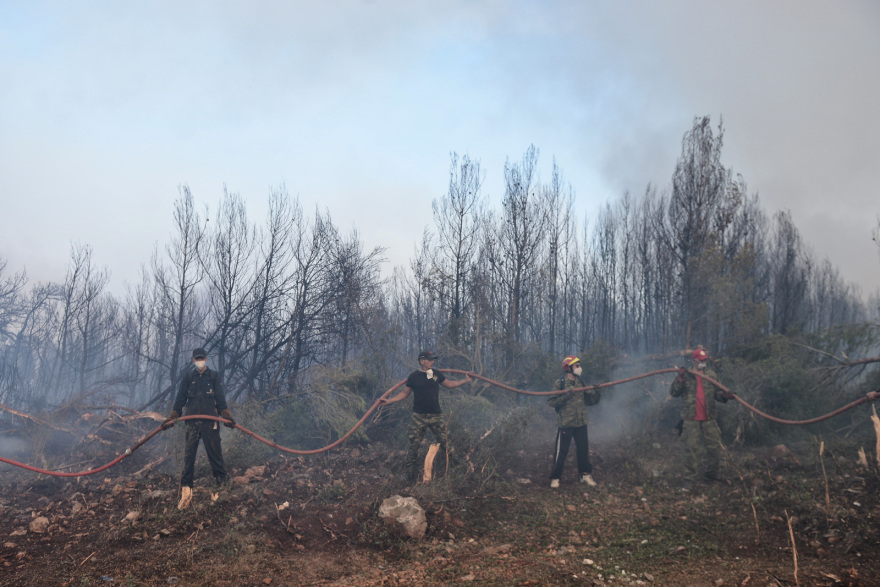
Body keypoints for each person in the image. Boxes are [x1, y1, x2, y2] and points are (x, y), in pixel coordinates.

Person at [162, 347, 236, 508]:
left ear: (206, 359)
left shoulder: (214, 376)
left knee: (215, 452)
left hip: (210, 421)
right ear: (193, 361)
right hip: (192, 422)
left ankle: (222, 482)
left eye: (202, 358)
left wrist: (226, 416)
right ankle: (187, 486)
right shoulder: (188, 377)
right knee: (189, 455)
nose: (200, 361)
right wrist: (172, 417)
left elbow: (220, 398)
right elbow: (180, 400)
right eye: (197, 358)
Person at [383, 350, 472, 482]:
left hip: (436, 415)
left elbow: (448, 384)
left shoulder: (433, 374)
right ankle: (409, 474)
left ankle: (458, 470)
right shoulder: (413, 376)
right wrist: (389, 400)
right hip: (419, 416)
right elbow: (404, 394)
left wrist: (466, 380)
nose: (433, 362)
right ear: (422, 361)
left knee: (446, 443)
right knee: (414, 445)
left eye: (433, 360)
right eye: (430, 360)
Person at [669, 347, 733, 487]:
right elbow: (674, 393)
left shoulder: (711, 375)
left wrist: (724, 396)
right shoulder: (685, 375)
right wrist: (679, 379)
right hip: (690, 419)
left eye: (705, 360)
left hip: (709, 418)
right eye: (701, 361)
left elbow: (717, 394)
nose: (703, 363)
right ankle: (689, 479)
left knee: (714, 447)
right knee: (690, 449)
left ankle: (712, 474)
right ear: (694, 361)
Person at [548, 355, 601, 488]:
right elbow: (552, 402)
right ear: (569, 368)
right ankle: (555, 477)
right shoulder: (560, 383)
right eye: (577, 365)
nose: (579, 368)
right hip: (566, 423)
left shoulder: (581, 382)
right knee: (561, 452)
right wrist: (566, 396)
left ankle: (585, 475)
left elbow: (590, 401)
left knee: (583, 450)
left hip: (581, 422)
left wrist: (597, 393)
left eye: (579, 365)